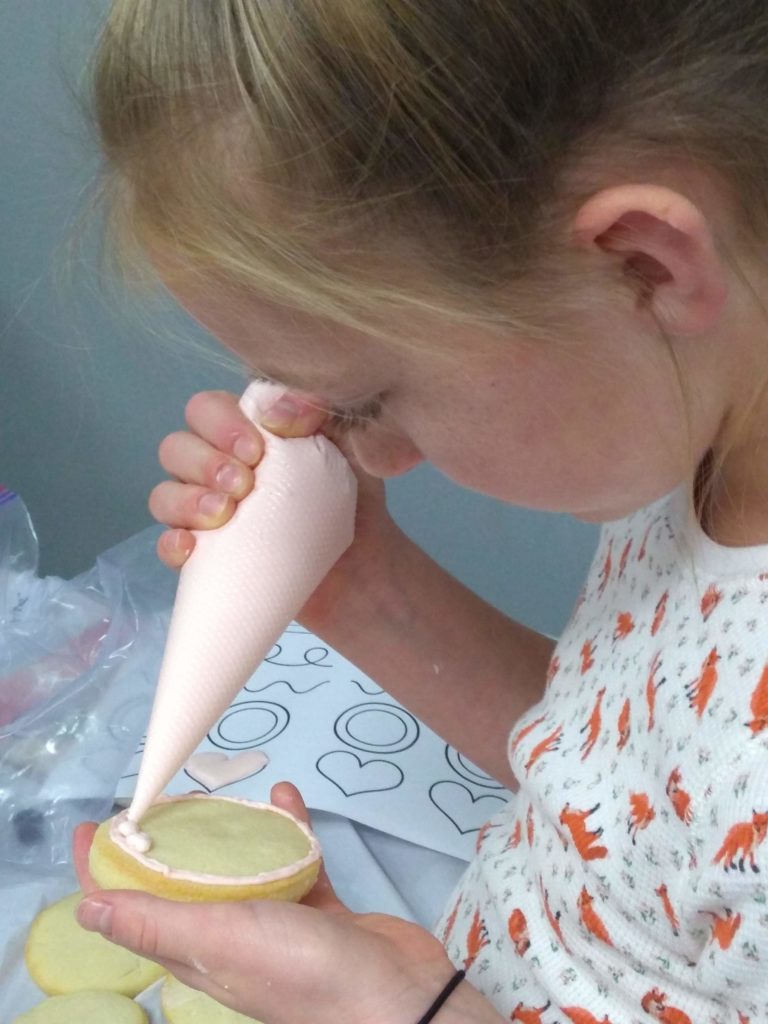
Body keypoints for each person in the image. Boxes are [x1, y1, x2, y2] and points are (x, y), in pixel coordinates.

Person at [73, 2, 768, 1021]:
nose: (350, 445)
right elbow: (634, 784)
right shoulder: (705, 424)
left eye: (368, 398)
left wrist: (416, 1013)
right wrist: (364, 583)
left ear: (642, 266)